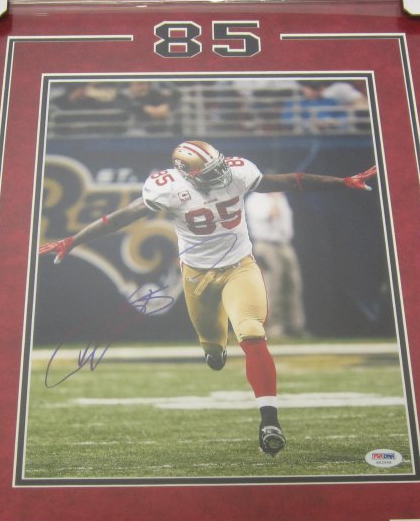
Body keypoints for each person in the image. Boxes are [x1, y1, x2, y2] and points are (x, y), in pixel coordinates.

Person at [38, 140, 376, 457]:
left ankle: (269, 421)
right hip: (197, 277)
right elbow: (121, 217)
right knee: (213, 349)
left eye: (219, 167)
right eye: (211, 172)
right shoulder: (168, 187)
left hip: (240, 268)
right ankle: (215, 350)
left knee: (252, 332)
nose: (221, 175)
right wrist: (74, 240)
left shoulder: (237, 172)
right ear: (186, 174)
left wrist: (342, 182)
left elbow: (291, 181)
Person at [245, 189, 307, 339]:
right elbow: (273, 214)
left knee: (293, 285)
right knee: (273, 286)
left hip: (284, 244)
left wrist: (277, 198)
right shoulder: (256, 198)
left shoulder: (281, 197)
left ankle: (295, 326)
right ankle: (275, 327)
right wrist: (274, 199)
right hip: (266, 245)